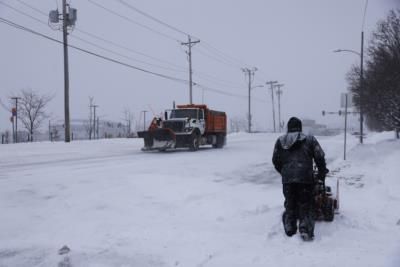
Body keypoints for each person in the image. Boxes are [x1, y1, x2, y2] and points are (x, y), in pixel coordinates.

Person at [272, 117, 328, 241]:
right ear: (300, 127)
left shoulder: (280, 141)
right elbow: (319, 156)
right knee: (306, 204)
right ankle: (305, 229)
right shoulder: (310, 139)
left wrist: (285, 172)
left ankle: (290, 228)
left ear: (288, 127)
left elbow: (275, 160)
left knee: (290, 204)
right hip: (305, 178)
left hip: (288, 180)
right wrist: (322, 172)